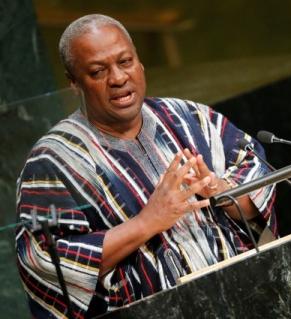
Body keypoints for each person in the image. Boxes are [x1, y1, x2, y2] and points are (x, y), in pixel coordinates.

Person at [15, 14, 276, 318]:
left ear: (139, 63)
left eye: (125, 62)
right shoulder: (50, 164)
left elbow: (255, 175)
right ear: (74, 82)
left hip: (243, 299)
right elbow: (44, 260)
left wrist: (222, 191)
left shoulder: (190, 119)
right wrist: (148, 221)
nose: (118, 78)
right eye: (98, 71)